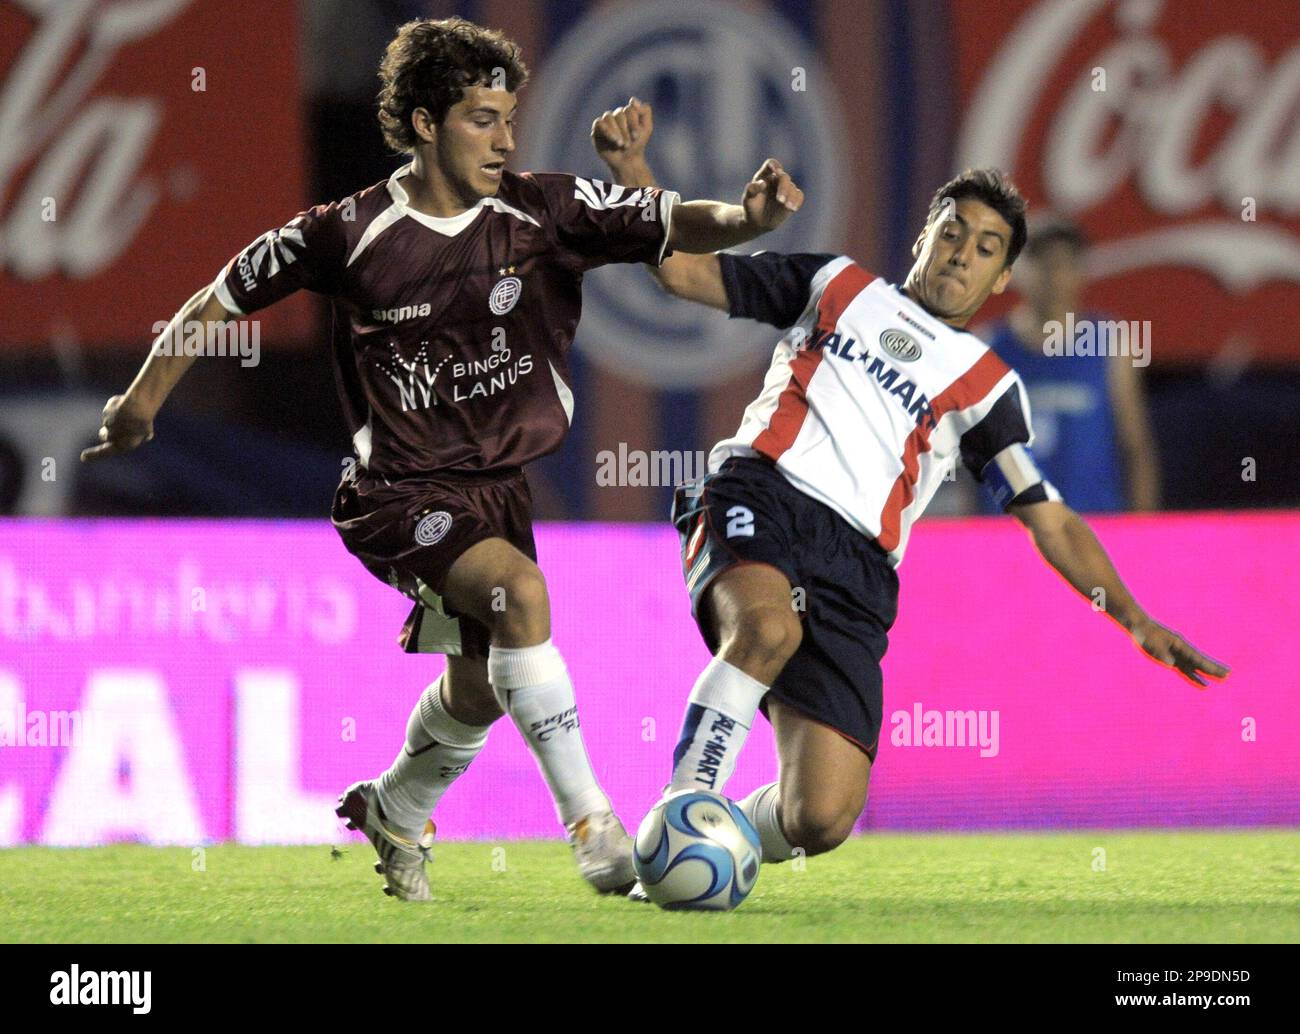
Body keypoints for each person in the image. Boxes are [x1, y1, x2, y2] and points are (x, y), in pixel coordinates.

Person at [80, 18, 803, 902]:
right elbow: (220, 296)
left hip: (498, 489)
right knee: (523, 598)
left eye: (508, 117)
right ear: (424, 123)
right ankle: (595, 829)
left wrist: (747, 217)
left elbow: (673, 222)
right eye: (481, 118)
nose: (506, 138)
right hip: (395, 491)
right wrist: (139, 404)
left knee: (482, 688)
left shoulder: (545, 212)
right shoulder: (347, 234)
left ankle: (395, 806)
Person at [591, 104, 1227, 892]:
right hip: (762, 490)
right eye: (953, 232)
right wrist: (633, 176)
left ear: (999, 279)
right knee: (764, 627)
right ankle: (680, 815)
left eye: (986, 249)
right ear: (923, 235)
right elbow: (682, 272)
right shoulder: (836, 283)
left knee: (820, 816)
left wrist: (1134, 616)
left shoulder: (989, 383)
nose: (962, 254)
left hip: (858, 567)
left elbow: (1049, 516)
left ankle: (692, 845)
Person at [977, 216, 1160, 512]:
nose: (1055, 276)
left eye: (1065, 264)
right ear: (1020, 270)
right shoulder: (986, 348)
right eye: (1045, 264)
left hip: (1092, 532)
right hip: (1008, 534)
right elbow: (967, 457)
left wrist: (1141, 533)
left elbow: (1135, 446)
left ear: (1081, 272)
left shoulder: (1111, 342)